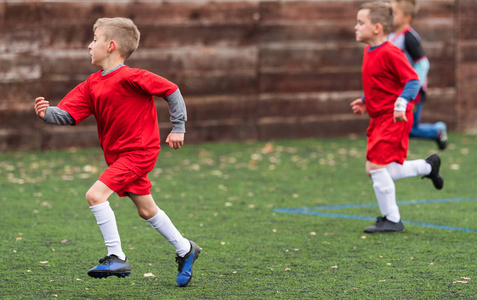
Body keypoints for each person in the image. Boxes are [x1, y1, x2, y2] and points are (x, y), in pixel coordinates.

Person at [34, 17, 199, 287]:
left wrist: (178, 127)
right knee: (146, 210)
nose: (89, 46)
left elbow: (172, 90)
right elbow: (67, 115)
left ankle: (116, 256)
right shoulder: (91, 84)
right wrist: (46, 113)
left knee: (95, 195)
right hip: (117, 156)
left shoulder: (134, 77)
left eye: (94, 40)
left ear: (110, 46)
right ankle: (185, 249)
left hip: (139, 152)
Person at [351, 2, 444, 233]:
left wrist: (402, 103)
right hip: (380, 118)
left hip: (395, 117)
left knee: (375, 167)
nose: (356, 27)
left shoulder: (391, 51)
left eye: (361, 23)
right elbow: (381, 83)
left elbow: (413, 79)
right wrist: (365, 99)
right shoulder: (369, 50)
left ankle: (392, 219)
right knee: (376, 168)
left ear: (377, 28)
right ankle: (427, 167)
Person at [388, 0, 448, 150]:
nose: (390, 16)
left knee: (411, 129)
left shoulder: (409, 38)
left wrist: (413, 87)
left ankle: (438, 131)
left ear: (407, 17)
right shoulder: (390, 36)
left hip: (413, 92)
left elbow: (423, 64)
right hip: (398, 90)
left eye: (394, 13)